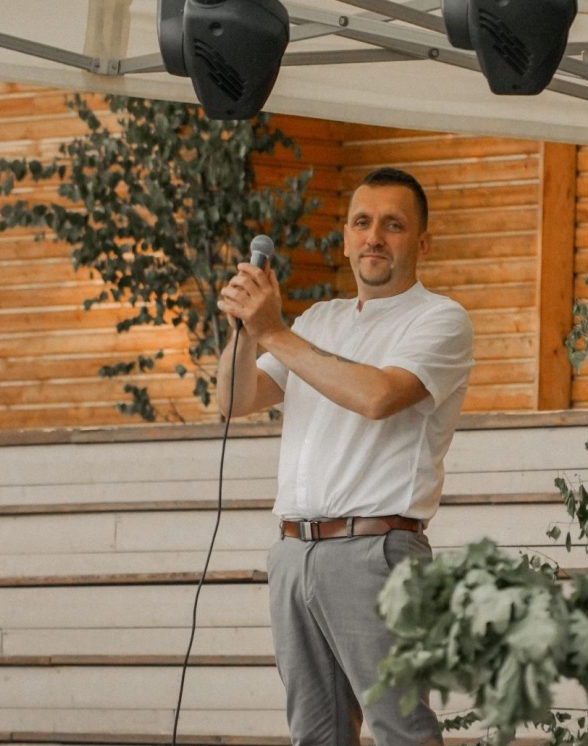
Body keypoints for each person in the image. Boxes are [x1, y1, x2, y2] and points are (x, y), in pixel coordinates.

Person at [216, 167, 474, 745]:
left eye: (393, 225)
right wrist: (245, 329)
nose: (374, 237)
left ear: (422, 243)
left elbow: (378, 397)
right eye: (362, 223)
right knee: (315, 735)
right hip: (293, 551)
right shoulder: (318, 320)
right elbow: (234, 400)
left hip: (376, 551)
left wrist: (273, 332)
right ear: (345, 240)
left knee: (400, 731)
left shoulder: (440, 318)